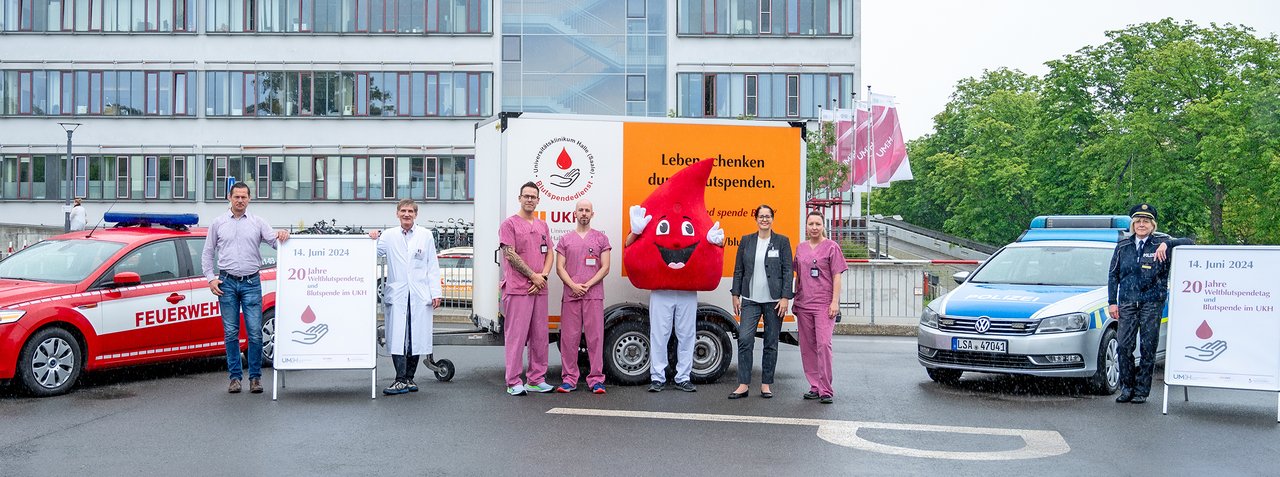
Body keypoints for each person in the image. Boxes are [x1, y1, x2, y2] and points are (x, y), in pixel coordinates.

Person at [201, 182, 289, 394]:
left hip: (251, 282)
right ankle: (235, 378)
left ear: (249, 199)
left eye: (244, 197)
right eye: (236, 197)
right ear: (229, 198)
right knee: (231, 332)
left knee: (255, 333)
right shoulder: (218, 223)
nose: (240, 200)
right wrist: (210, 279)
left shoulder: (258, 223)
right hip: (227, 283)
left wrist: (283, 235)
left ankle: (255, 378)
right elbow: (207, 252)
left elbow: (276, 243)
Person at [1108, 203, 1193, 404]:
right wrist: (1112, 302)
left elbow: (1190, 242)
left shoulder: (1160, 243)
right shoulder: (1123, 246)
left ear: (1152, 225)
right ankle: (1127, 388)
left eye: (1146, 221)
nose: (1141, 225)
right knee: (1124, 347)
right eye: (1138, 221)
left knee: (1148, 347)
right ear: (1133, 225)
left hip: (1152, 302)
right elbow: (1113, 275)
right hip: (1127, 302)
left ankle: (1141, 391)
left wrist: (1168, 244)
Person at [370, 199, 443, 395]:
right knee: (398, 338)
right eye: (403, 211)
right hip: (398, 294)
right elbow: (372, 251)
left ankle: (409, 378)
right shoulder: (389, 236)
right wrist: (371, 238)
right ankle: (400, 379)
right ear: (397, 214)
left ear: (415, 214)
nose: (406, 214)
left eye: (410, 211)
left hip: (419, 294)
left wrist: (436, 292)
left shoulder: (425, 235)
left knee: (415, 338)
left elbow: (432, 265)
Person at [728, 205, 793, 399]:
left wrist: (785, 297)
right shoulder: (746, 241)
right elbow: (738, 269)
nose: (764, 219)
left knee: (770, 343)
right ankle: (743, 384)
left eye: (768, 216)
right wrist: (735, 294)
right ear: (755, 219)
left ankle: (766, 384)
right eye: (761, 216)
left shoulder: (782, 242)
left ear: (772, 219)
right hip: (750, 299)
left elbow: (787, 271)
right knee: (745, 339)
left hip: (774, 301)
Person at [499, 182, 555, 396]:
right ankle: (513, 381)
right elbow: (510, 254)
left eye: (533, 196)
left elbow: (550, 253)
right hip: (518, 288)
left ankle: (536, 379)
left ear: (538, 200)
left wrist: (544, 276)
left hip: (539, 287)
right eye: (526, 196)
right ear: (520, 198)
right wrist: (533, 276)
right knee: (516, 337)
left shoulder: (542, 225)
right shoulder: (509, 224)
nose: (530, 199)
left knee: (540, 336)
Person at [553, 200, 611, 394]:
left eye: (587, 210)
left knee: (595, 338)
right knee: (569, 339)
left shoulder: (601, 239)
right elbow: (559, 267)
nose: (584, 213)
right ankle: (569, 379)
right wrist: (573, 286)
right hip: (572, 295)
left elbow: (605, 267)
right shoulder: (565, 240)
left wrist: (588, 285)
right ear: (575, 214)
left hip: (593, 295)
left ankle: (596, 379)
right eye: (581, 210)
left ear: (592, 214)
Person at [791, 211, 847, 404]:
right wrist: (794, 300)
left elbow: (837, 276)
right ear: (806, 226)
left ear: (823, 226)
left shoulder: (832, 247)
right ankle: (814, 386)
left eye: (817, 224)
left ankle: (826, 389)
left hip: (824, 304)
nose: (814, 227)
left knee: (823, 344)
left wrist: (835, 301)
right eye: (811, 224)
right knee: (807, 347)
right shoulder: (800, 248)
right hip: (804, 304)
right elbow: (798, 276)